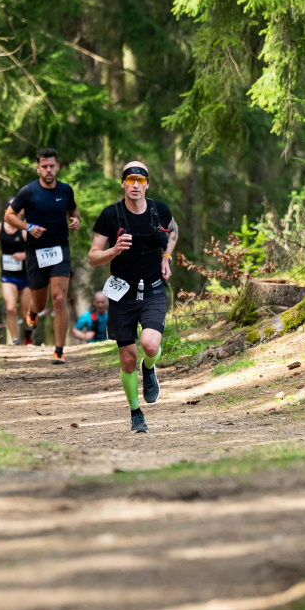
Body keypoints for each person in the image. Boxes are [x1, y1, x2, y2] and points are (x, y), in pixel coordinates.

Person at [88, 161, 178, 433]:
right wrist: (114, 250)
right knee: (127, 359)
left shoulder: (159, 210)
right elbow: (93, 257)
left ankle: (149, 367)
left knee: (150, 345)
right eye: (130, 180)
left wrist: (166, 257)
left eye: (140, 180)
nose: (135, 185)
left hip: (152, 288)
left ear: (147, 184)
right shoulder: (110, 215)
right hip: (121, 293)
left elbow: (173, 230)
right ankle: (136, 412)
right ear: (123, 184)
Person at [5, 148, 80, 364]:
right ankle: (33, 311)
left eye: (52, 166)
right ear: (38, 168)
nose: (48, 170)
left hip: (60, 250)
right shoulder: (28, 192)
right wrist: (28, 227)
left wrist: (76, 220)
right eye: (44, 166)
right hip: (35, 252)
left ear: (58, 167)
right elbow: (9, 216)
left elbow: (73, 211)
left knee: (59, 299)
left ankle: (59, 350)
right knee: (39, 303)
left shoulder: (65, 190)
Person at [0, 201, 33, 345]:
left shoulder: (25, 229)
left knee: (25, 312)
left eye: (17, 208)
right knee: (10, 308)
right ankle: (15, 340)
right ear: (6, 211)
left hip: (26, 276)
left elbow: (36, 248)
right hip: (8, 276)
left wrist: (25, 255)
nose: (15, 211)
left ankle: (28, 333)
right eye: (11, 208)